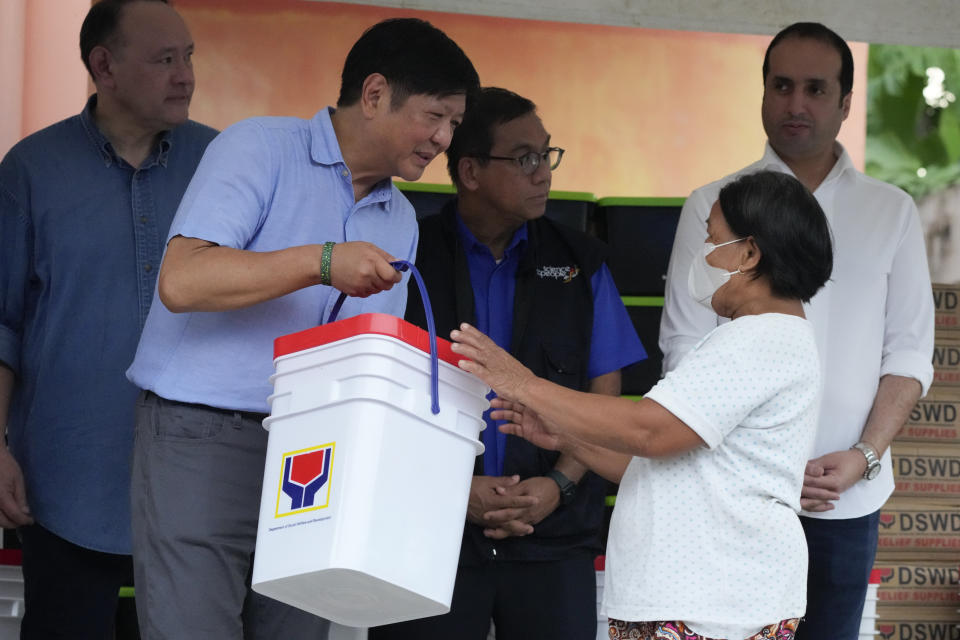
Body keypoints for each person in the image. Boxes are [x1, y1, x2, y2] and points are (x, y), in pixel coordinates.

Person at [124, 17, 478, 640]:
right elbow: (183, 281)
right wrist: (322, 261)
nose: (444, 139)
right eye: (435, 116)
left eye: (454, 123)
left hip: (319, 451)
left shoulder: (400, 217)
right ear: (373, 95)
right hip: (204, 436)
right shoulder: (260, 147)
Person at [451, 169, 833, 640]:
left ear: (750, 253)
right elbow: (666, 462)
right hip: (701, 600)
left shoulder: (760, 338)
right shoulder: (758, 338)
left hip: (714, 604)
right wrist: (568, 436)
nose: (702, 256)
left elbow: (649, 430)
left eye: (713, 240)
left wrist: (523, 383)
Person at [658, 22, 934, 639]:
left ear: (844, 103)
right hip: (733, 491)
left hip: (845, 494)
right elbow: (683, 346)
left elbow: (910, 351)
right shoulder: (712, 204)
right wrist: (748, 458)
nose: (796, 104)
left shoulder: (890, 210)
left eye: (815, 88)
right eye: (781, 86)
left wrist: (864, 456)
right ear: (761, 93)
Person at [370, 87, 646, 640]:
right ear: (469, 171)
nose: (543, 172)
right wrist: (452, 490)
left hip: (554, 535)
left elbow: (605, 393)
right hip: (427, 533)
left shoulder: (578, 261)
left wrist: (560, 485)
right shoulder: (406, 255)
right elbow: (379, 395)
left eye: (546, 155)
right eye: (524, 158)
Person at [0, 1, 217, 637]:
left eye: (188, 58)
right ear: (104, 66)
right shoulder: (31, 169)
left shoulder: (222, 163)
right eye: (164, 59)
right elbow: (3, 322)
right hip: (66, 477)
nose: (185, 76)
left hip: (199, 485)